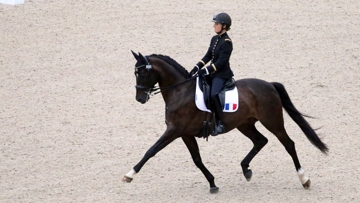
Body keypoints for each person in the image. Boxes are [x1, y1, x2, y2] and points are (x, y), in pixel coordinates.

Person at [190, 12, 234, 136]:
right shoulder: (214, 39)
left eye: (217, 24)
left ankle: (221, 123)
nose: (214, 26)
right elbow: (208, 55)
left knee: (214, 94)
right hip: (212, 73)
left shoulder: (227, 42)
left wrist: (206, 70)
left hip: (221, 75)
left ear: (224, 26)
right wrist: (197, 66)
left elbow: (221, 62)